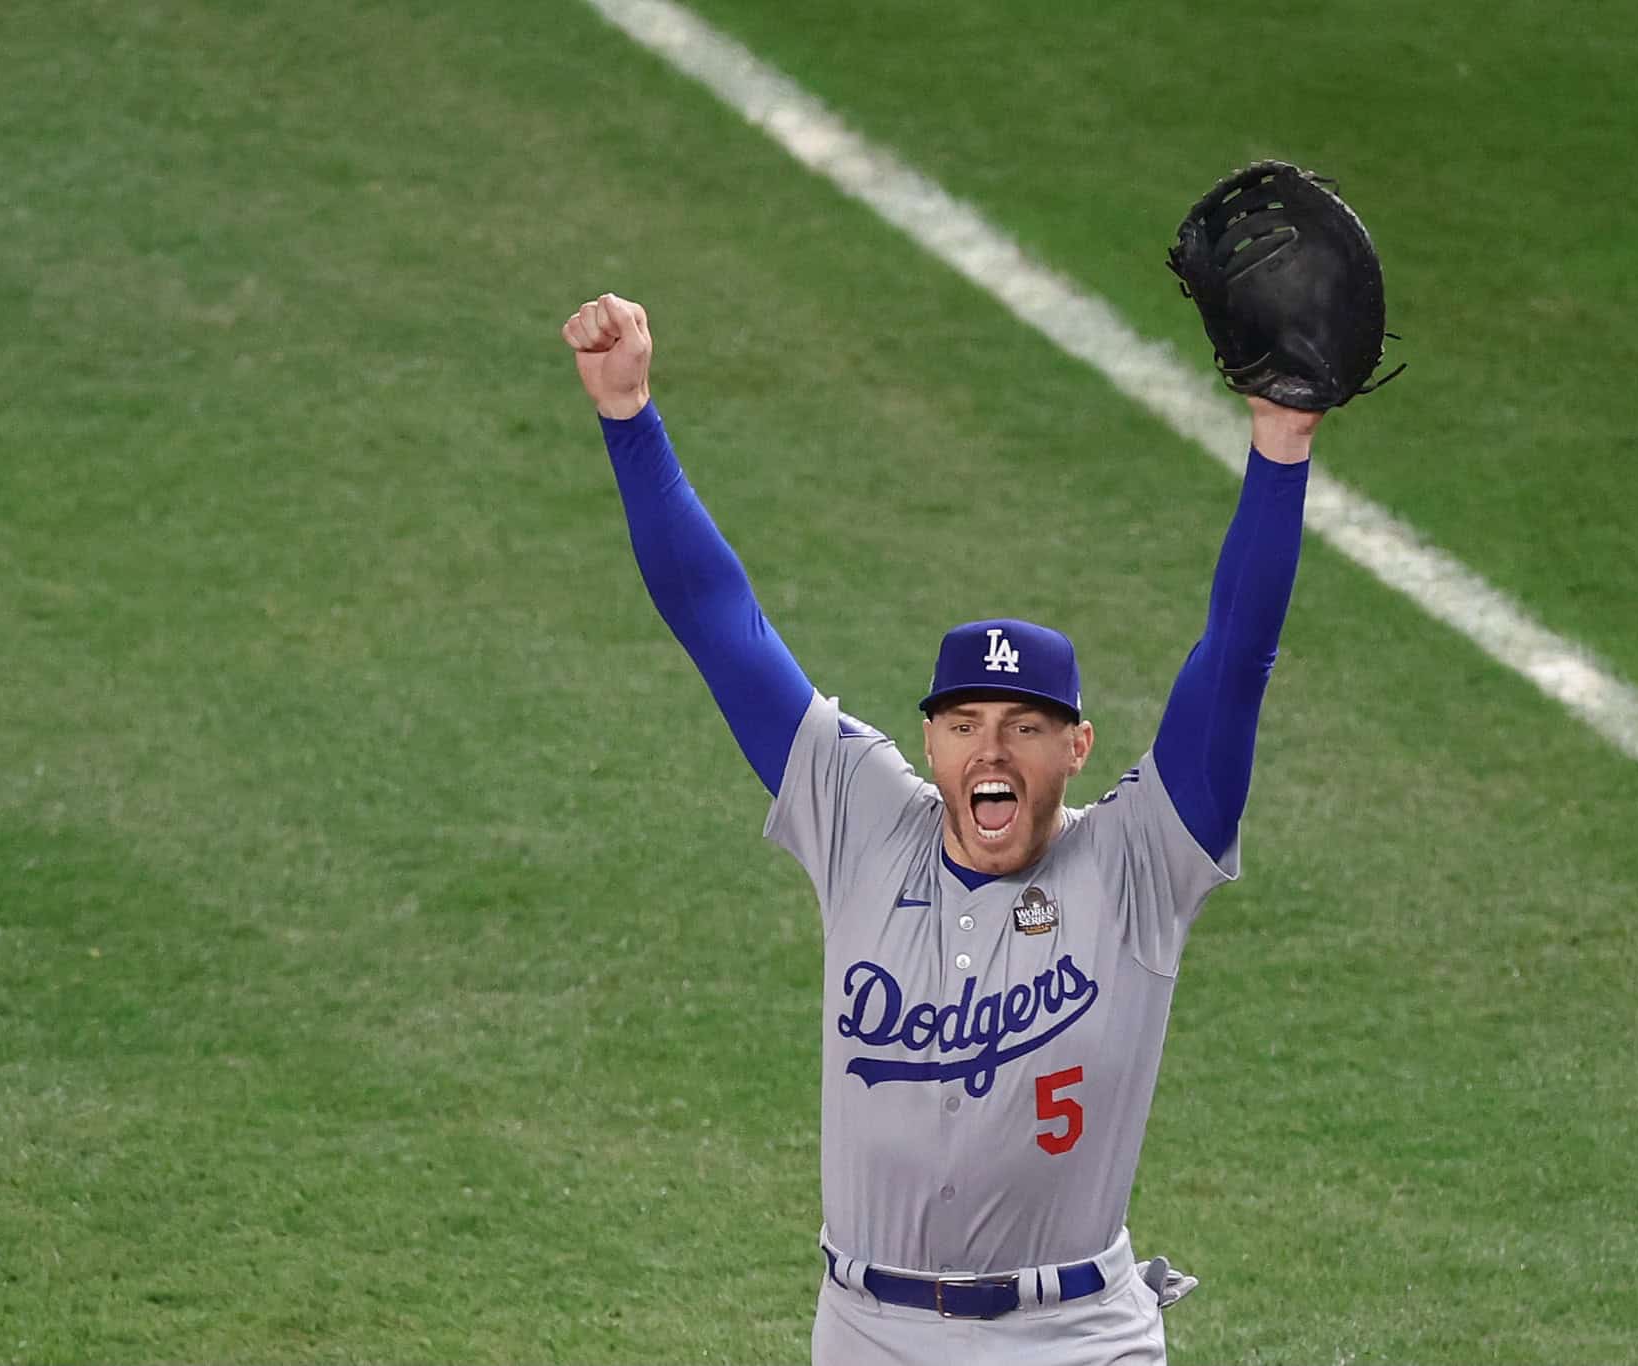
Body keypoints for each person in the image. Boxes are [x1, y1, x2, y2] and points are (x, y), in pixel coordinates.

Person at [563, 292, 1321, 1365]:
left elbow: (1233, 657)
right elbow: (718, 619)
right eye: (963, 724)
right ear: (928, 744)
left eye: (1025, 726)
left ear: (1077, 746)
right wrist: (629, 414)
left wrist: (1279, 446)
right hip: (867, 1331)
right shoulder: (860, 817)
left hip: (1075, 1338)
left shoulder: (1143, 858)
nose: (992, 752)